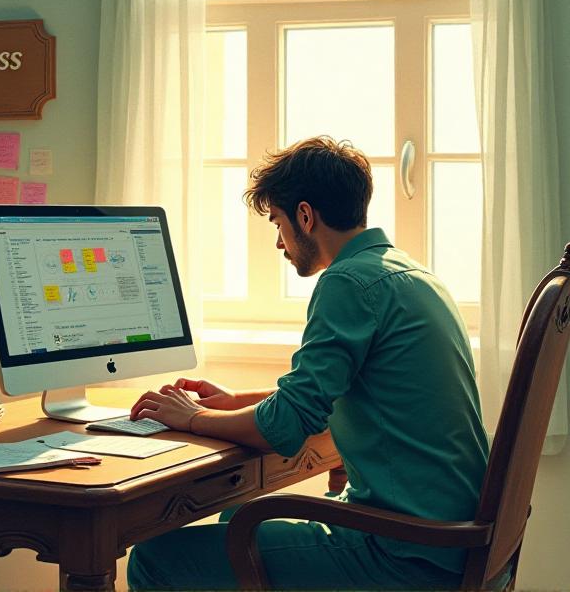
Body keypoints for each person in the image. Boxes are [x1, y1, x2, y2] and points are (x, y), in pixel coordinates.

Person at [126, 136, 489, 590]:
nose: (279, 242)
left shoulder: (348, 283)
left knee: (154, 560)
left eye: (277, 222)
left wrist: (193, 417)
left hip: (405, 553)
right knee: (238, 515)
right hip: (456, 542)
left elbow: (287, 425)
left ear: (304, 215)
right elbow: (339, 392)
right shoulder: (408, 274)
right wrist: (235, 400)